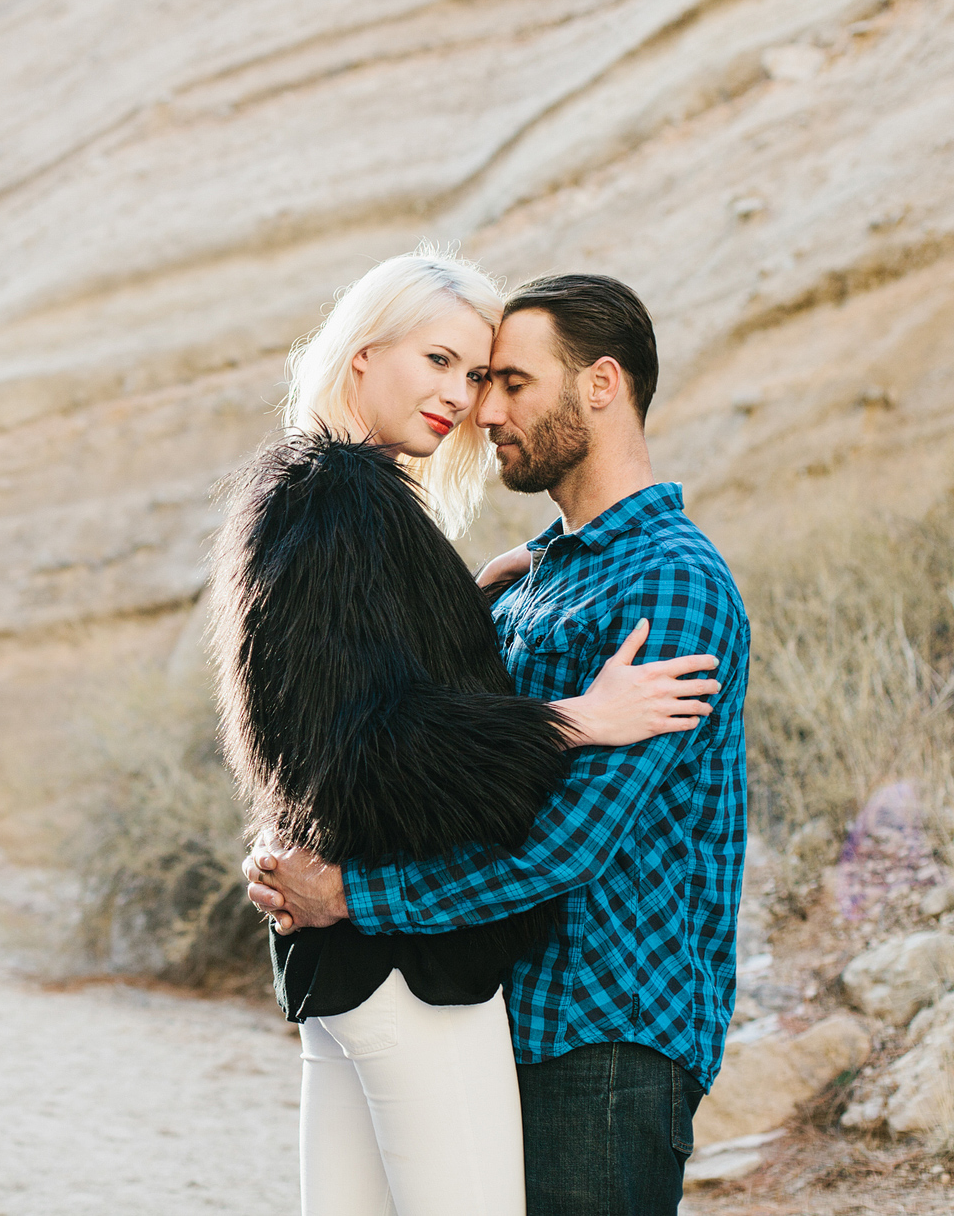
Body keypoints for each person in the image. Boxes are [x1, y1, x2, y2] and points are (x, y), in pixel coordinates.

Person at [207, 251, 722, 1216]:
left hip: (404, 981)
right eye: (443, 362)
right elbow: (373, 746)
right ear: (361, 355)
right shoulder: (350, 501)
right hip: (415, 978)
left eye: (489, 376)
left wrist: (462, 611)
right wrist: (574, 718)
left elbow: (342, 710)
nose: (471, 403)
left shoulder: (313, 497)